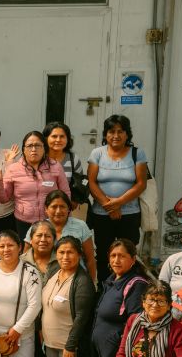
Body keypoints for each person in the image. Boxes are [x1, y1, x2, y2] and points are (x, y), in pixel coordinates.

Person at [88, 115, 148, 282]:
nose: (116, 135)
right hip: (101, 214)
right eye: (111, 131)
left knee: (128, 254)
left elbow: (141, 184)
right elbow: (91, 183)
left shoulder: (137, 153)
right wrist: (109, 206)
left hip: (129, 214)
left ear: (127, 134)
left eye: (120, 131)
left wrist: (118, 203)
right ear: (105, 134)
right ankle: (104, 288)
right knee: (103, 253)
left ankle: (129, 287)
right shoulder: (97, 153)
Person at [0, 130, 70, 239]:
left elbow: (65, 194)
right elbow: (4, 199)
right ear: (24, 150)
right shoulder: (13, 169)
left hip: (51, 220)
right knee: (26, 254)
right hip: (24, 222)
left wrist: (66, 216)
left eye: (37, 145)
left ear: (44, 148)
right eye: (30, 146)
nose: (34, 149)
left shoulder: (56, 167)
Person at [91, 239, 150, 357]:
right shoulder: (111, 280)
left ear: (133, 259)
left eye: (122, 256)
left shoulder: (136, 284)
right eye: (113, 255)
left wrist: (118, 340)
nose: (116, 260)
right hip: (101, 348)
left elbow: (136, 319)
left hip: (116, 351)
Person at [40, 237, 96, 357]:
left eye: (70, 252)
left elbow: (82, 317)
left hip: (67, 347)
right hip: (49, 343)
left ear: (79, 254)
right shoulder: (53, 271)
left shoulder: (82, 281)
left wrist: (70, 346)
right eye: (61, 252)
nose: (65, 257)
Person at [28, 190, 97, 281]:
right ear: (46, 209)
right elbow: (27, 258)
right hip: (44, 279)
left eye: (62, 206)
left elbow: (90, 260)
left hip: (76, 279)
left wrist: (91, 285)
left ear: (69, 208)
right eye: (54, 206)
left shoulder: (80, 226)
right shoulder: (38, 228)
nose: (58, 211)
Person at [43, 122, 86, 203]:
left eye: (62, 136)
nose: (58, 140)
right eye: (54, 136)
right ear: (46, 138)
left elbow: (80, 183)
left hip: (66, 205)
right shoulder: (39, 159)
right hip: (41, 205)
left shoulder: (73, 159)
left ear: (68, 139)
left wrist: (75, 200)